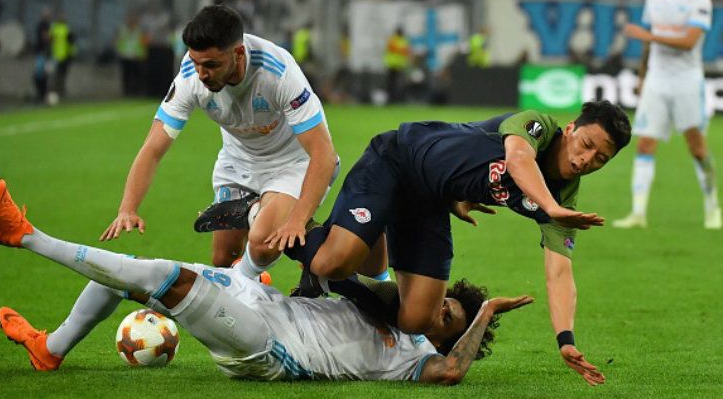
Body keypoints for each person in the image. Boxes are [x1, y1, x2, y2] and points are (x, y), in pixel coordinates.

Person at [0, 179, 533, 383]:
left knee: (162, 278)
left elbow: (455, 372)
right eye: (446, 307)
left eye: (448, 321)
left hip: (269, 351)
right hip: (263, 303)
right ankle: (50, 348)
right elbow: (364, 266)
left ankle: (26, 236)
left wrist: (484, 314)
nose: (437, 312)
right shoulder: (388, 301)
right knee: (128, 276)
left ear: (447, 337)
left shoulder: (418, 358)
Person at [260, 100, 628, 386]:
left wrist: (565, 339)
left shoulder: (564, 203)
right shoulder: (538, 126)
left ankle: (334, 268)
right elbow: (517, 159)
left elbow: (560, 273)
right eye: (586, 144)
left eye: (601, 158)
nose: (586, 160)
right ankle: (270, 217)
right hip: (397, 161)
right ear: (569, 129)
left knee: (417, 318)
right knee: (332, 261)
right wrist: (548, 207)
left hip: (430, 201)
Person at [99, 5, 350, 282]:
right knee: (223, 259)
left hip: (292, 164)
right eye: (196, 62)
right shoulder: (190, 78)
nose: (202, 73)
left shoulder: (277, 72)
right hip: (238, 163)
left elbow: (323, 154)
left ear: (238, 53)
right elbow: (153, 149)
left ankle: (256, 219)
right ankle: (253, 274)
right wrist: (128, 208)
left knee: (263, 242)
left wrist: (297, 219)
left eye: (211, 65)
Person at [615, 0, 721, 230]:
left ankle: (713, 207)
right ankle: (638, 213)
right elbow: (647, 47)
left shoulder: (700, 0)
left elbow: (688, 42)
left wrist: (649, 36)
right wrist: (642, 77)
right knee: (645, 144)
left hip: (687, 81)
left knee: (696, 147)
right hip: (656, 80)